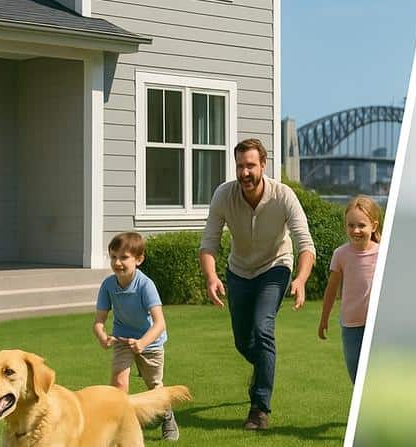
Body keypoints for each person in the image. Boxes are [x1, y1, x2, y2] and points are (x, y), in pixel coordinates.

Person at [198, 138, 316, 430]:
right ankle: (263, 367)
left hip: (275, 267)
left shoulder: (283, 195)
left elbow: (305, 244)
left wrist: (300, 279)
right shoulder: (223, 195)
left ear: (263, 165)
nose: (245, 173)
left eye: (250, 165)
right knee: (243, 341)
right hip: (238, 271)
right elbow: (209, 243)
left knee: (263, 330)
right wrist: (211, 277)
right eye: (240, 166)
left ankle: (259, 409)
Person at [92, 232, 179, 441]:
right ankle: (118, 428)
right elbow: (99, 321)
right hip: (122, 340)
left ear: (139, 260)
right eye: (113, 257)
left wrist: (142, 343)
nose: (117, 263)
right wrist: (102, 336)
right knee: (119, 385)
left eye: (124, 257)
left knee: (154, 385)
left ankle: (167, 417)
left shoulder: (145, 285)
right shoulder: (108, 285)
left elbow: (160, 324)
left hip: (151, 341)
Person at [319, 195, 382, 383]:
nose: (356, 230)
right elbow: (331, 290)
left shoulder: (383, 252)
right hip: (351, 326)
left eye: (361, 225)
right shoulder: (341, 254)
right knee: (357, 377)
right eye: (351, 225)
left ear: (374, 226)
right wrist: (323, 320)